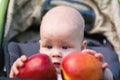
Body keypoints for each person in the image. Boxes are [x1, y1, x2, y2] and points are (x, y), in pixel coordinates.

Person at [9, 5, 113, 80]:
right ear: (40, 46)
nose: (56, 54)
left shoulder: (83, 72)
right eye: (49, 47)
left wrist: (101, 72)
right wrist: (17, 73)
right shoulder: (36, 73)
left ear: (82, 48)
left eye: (64, 47)